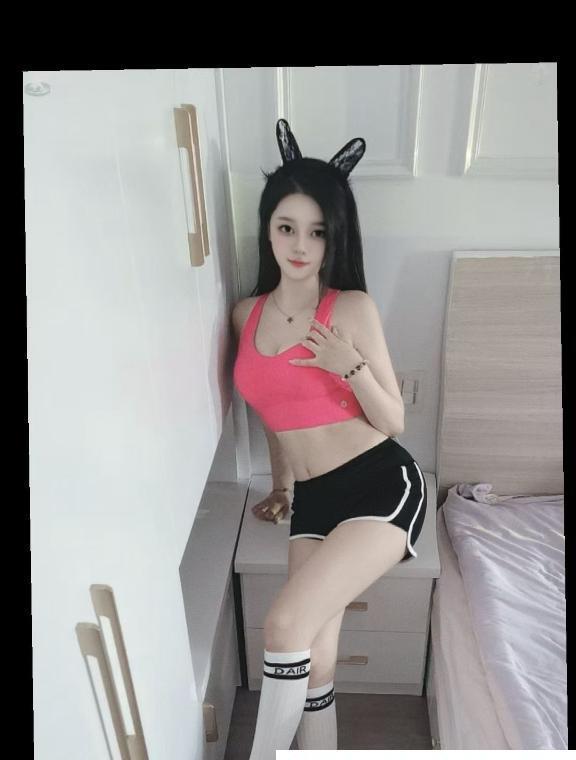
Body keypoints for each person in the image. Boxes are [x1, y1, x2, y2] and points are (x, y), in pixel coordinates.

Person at [232, 119, 427, 758]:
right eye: (286, 227)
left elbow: (393, 421)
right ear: (267, 227)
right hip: (313, 498)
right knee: (314, 658)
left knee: (284, 624)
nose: (300, 245)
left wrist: (351, 365)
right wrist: (282, 486)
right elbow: (273, 412)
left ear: (335, 235)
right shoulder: (246, 315)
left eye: (317, 232)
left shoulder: (351, 308)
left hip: (381, 484)